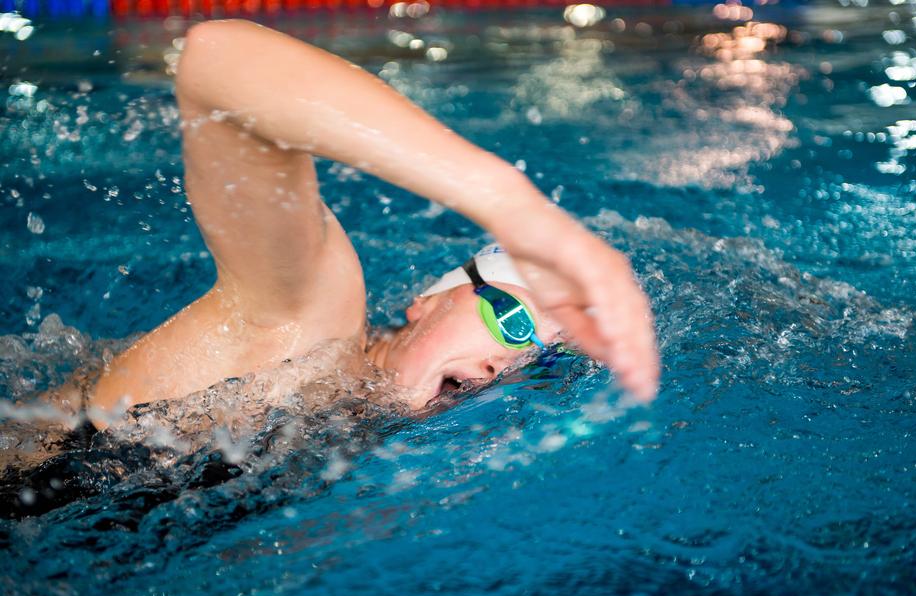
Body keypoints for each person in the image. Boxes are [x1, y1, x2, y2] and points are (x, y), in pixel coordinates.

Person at [86, 19, 659, 428]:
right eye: (511, 320)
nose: (502, 367)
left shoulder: (352, 429)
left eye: (542, 361)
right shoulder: (309, 327)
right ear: (427, 303)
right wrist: (508, 202)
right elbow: (215, 60)